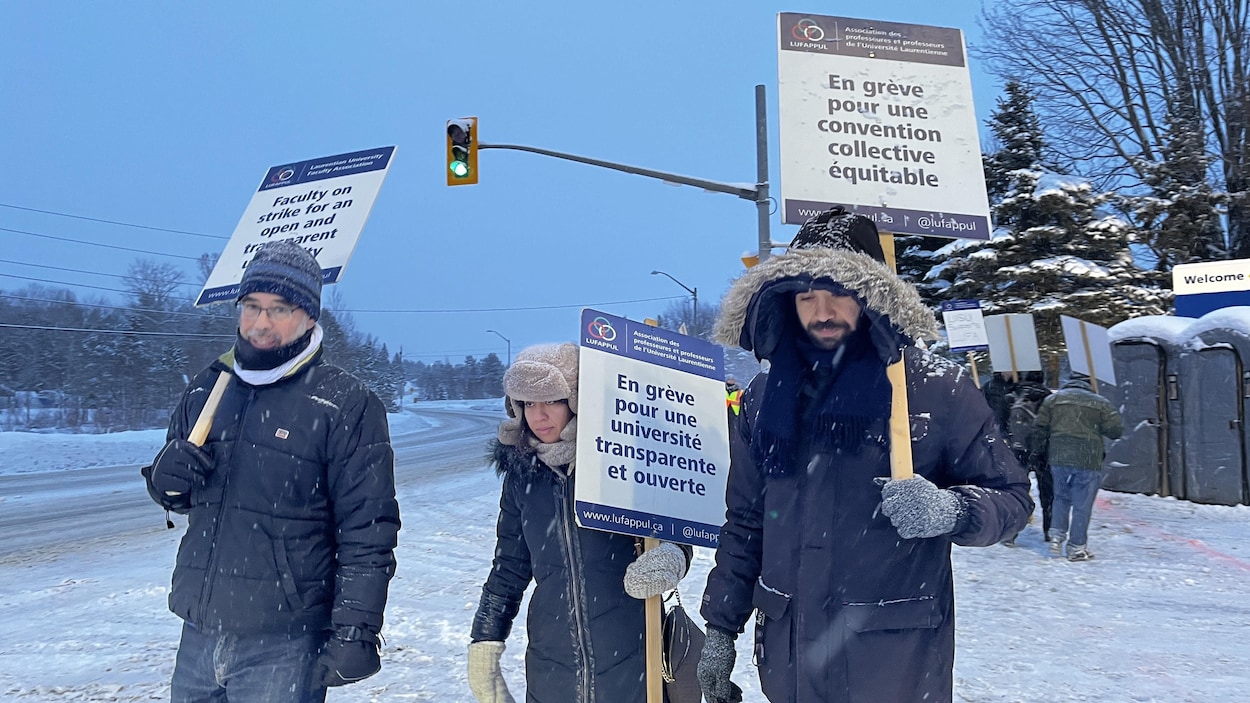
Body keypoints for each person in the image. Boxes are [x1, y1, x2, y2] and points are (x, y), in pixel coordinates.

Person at [695, 207, 1034, 703]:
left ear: (871, 296)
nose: (822, 312)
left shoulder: (936, 390)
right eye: (806, 297)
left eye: (838, 294)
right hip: (789, 665)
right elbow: (747, 522)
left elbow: (1013, 500)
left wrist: (953, 510)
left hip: (893, 665)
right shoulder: (765, 398)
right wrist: (721, 628)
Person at [141, 241, 401, 702]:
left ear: (310, 317)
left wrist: (356, 629)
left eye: (280, 309)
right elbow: (179, 497)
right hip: (199, 630)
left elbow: (368, 530)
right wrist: (165, 482)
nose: (261, 323)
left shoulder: (344, 404)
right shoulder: (208, 387)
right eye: (252, 306)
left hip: (285, 643)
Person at [467, 342, 693, 702]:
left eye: (551, 401)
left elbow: (670, 528)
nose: (538, 416)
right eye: (528, 404)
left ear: (576, 399)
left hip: (633, 661)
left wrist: (674, 553)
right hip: (551, 668)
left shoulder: (621, 461)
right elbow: (509, 567)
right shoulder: (522, 479)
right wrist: (485, 640)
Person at [1033, 374, 1124, 561]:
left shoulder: (1053, 400)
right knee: (1082, 505)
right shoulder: (1100, 403)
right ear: (1089, 385)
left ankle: (1056, 536)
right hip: (1088, 458)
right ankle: (1076, 547)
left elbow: (1040, 427)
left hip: (1059, 456)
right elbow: (1115, 431)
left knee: (1060, 498)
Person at [1002, 370, 1054, 546]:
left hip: (1019, 450)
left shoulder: (1013, 396)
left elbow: (1002, 422)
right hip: (1043, 451)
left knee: (1017, 492)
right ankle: (1049, 531)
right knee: (1048, 493)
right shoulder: (1049, 398)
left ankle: (1011, 533)